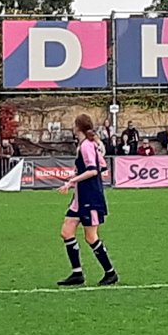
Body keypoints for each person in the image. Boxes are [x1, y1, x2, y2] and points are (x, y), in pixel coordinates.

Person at [57, 114, 118, 287]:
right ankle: (77, 273)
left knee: (91, 237)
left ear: (78, 127)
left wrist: (72, 181)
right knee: (66, 232)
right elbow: (102, 165)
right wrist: (73, 180)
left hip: (90, 196)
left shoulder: (86, 147)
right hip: (80, 197)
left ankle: (110, 272)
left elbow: (93, 170)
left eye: (74, 124)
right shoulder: (87, 145)